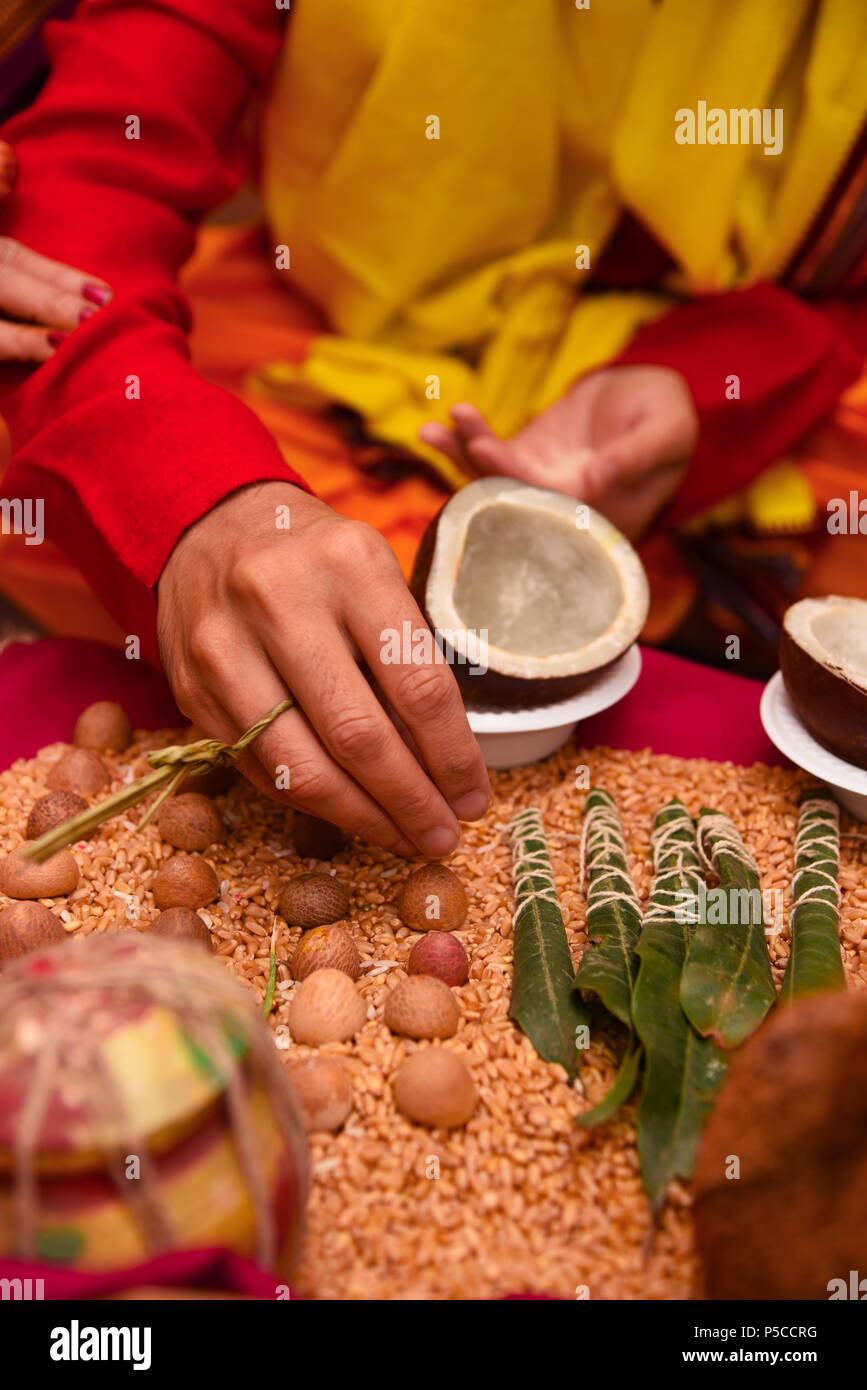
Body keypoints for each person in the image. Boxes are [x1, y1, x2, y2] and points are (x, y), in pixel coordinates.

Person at [1, 0, 866, 844]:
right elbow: (81, 207)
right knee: (90, 510)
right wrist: (195, 506)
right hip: (327, 342)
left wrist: (707, 392)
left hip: (711, 367)